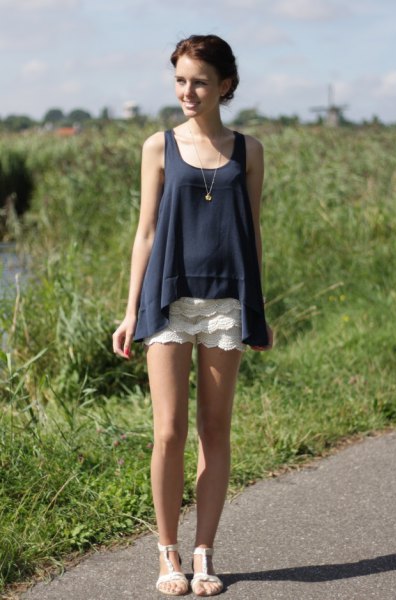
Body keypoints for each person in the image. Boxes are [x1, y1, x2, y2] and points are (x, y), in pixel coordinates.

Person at [112, 34, 273, 597]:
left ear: (225, 85)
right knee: (168, 431)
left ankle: (204, 553)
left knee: (214, 430)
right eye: (180, 79)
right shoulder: (158, 146)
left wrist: (258, 310)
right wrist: (131, 311)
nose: (188, 90)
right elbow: (146, 232)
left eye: (200, 81)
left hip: (227, 305)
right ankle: (167, 553)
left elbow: (252, 235)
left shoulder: (248, 150)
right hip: (168, 302)